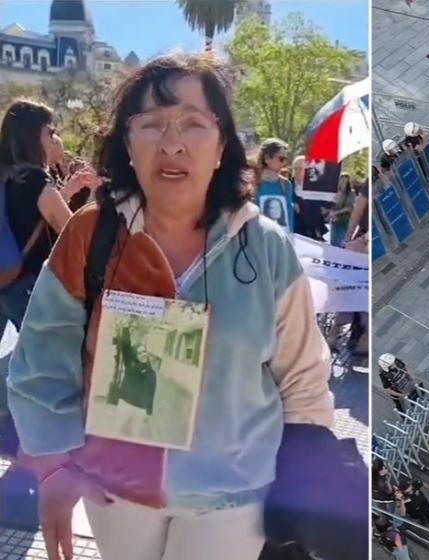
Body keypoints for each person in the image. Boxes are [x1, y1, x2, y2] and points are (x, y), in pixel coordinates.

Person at [6, 54, 334, 560]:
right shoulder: (91, 235)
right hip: (116, 488)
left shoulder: (266, 248)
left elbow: (302, 376)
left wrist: (306, 476)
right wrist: (53, 463)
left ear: (223, 143)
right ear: (126, 143)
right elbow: (41, 359)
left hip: (234, 494)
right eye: (151, 124)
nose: (172, 142)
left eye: (194, 123)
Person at [0, 100, 101, 425]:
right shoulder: (34, 179)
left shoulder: (8, 175)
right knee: (41, 358)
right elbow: (69, 227)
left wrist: (65, 189)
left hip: (3, 276)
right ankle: (21, 425)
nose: (55, 138)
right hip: (26, 284)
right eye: (50, 131)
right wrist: (97, 199)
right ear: (34, 136)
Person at [254, 138, 296, 237]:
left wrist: (290, 239)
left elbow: (288, 216)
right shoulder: (253, 183)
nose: (284, 163)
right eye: (281, 159)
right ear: (267, 158)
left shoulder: (286, 185)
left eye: (286, 159)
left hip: (281, 241)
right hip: (259, 240)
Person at [326, 173, 354, 247]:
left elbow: (349, 208)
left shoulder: (351, 193)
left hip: (345, 220)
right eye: (341, 180)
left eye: (345, 181)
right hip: (334, 221)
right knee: (333, 243)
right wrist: (331, 213)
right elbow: (330, 205)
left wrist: (336, 213)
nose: (343, 182)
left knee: (342, 243)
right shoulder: (334, 192)